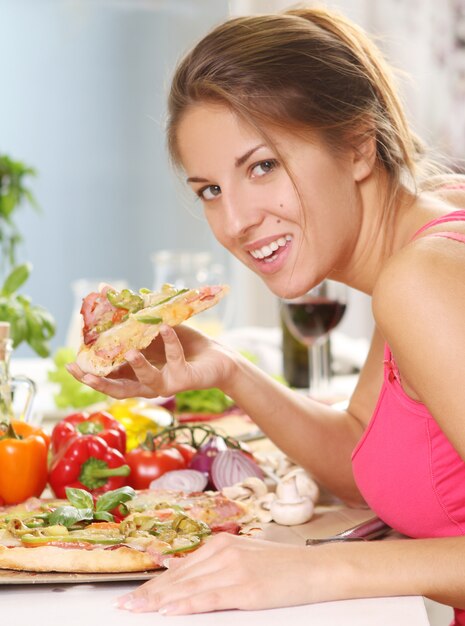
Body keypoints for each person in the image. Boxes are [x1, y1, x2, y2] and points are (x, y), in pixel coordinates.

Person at [68, 6, 465, 623]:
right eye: (211, 190)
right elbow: (369, 459)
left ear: (358, 145)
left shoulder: (421, 279)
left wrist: (314, 570)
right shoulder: (422, 236)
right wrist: (229, 370)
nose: (235, 222)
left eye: (263, 166)